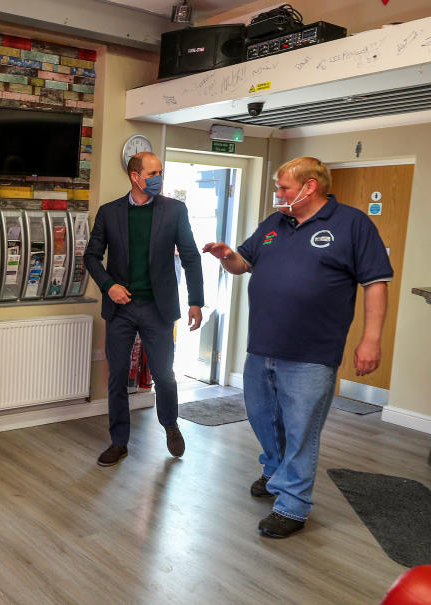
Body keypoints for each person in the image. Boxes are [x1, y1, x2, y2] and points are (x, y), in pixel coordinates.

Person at [202, 156, 392, 539]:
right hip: (263, 345)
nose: (278, 193)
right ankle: (274, 468)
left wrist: (370, 340)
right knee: (262, 417)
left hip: (312, 352)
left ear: (310, 187)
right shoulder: (275, 224)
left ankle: (292, 505)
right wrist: (227, 257)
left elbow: (376, 283)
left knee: (302, 428)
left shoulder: (352, 224)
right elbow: (244, 263)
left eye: (284, 187)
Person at [84, 151, 204, 467]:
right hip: (120, 309)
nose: (158, 178)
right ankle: (119, 442)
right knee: (117, 377)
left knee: (165, 375)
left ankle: (170, 423)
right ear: (135, 176)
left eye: (160, 172)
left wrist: (195, 300)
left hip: (158, 308)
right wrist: (109, 285)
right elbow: (92, 256)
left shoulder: (175, 210)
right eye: (152, 173)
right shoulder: (109, 213)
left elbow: (191, 256)